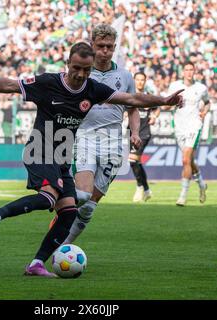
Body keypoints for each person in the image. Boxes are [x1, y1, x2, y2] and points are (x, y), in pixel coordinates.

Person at [0, 42, 183, 277]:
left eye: (86, 69)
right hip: (40, 150)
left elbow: (132, 99)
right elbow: (9, 85)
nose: (81, 74)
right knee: (48, 198)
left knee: (69, 211)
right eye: (76, 68)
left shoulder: (92, 89)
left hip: (61, 157)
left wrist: (164, 101)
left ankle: (36, 264)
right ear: (68, 64)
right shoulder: (48, 83)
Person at [62, 24, 141, 245]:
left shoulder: (124, 76)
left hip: (114, 144)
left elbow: (133, 108)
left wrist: (134, 132)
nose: (105, 51)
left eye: (109, 47)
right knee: (82, 194)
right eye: (100, 46)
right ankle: (57, 241)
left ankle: (64, 244)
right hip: (84, 138)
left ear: (114, 47)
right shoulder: (81, 73)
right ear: (92, 46)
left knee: (88, 207)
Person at [164, 61, 209, 206]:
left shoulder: (201, 88)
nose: (189, 72)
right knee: (189, 160)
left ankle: (183, 196)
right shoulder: (175, 86)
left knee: (185, 160)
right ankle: (201, 184)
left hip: (194, 126)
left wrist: (204, 112)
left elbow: (207, 102)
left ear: (194, 71)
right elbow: (166, 103)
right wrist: (166, 105)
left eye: (191, 69)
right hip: (179, 127)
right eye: (186, 70)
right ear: (182, 72)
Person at [129, 72, 160, 203]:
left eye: (142, 80)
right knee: (136, 162)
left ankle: (139, 187)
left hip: (144, 132)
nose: (140, 82)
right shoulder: (129, 95)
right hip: (130, 132)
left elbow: (157, 108)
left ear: (145, 81)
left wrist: (154, 116)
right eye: (138, 79)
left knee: (132, 159)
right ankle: (147, 190)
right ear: (134, 80)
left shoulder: (148, 96)